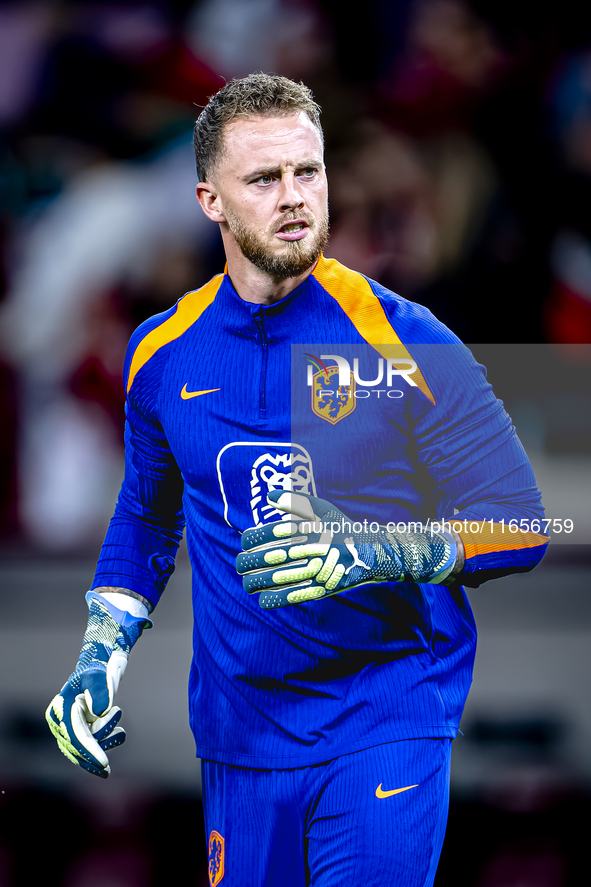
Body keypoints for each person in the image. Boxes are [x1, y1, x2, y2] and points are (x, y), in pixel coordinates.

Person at [46, 74, 549, 887]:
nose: (293, 198)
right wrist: (99, 654)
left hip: (385, 717)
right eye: (264, 178)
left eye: (306, 172)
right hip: (239, 737)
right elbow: (145, 518)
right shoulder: (161, 353)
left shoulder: (406, 339)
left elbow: (523, 522)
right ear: (210, 199)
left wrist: (371, 552)